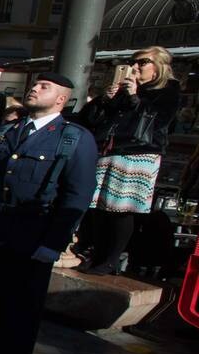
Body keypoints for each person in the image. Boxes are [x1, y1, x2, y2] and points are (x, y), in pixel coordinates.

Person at [0, 72, 97, 354]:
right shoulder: (10, 131)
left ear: (61, 98)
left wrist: (54, 243)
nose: (34, 88)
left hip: (33, 233)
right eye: (34, 84)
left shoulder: (72, 138)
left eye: (44, 87)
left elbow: (77, 196)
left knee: (22, 305)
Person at [76, 46, 181, 275]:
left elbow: (160, 122)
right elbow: (90, 119)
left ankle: (111, 259)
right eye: (132, 62)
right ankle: (96, 254)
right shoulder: (124, 90)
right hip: (110, 149)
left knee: (122, 208)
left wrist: (135, 97)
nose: (135, 67)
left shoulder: (168, 90)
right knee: (98, 207)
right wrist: (105, 99)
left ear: (158, 66)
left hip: (139, 152)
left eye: (142, 62)